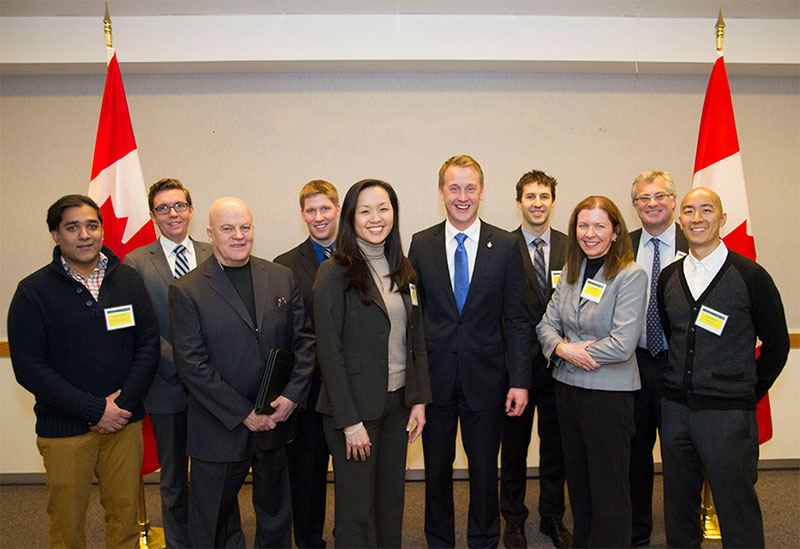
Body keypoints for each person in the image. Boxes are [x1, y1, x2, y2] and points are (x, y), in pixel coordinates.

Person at [8, 194, 159, 548]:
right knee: (67, 526)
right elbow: (30, 368)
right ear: (55, 235)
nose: (84, 235)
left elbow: (148, 345)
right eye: (72, 227)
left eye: (92, 225)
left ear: (102, 231)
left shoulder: (128, 280)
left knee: (124, 520)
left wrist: (121, 405)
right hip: (64, 430)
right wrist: (94, 410)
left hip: (124, 423)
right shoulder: (33, 292)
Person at [168, 196, 315, 548]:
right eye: (228, 229)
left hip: (276, 423)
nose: (238, 236)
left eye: (245, 227)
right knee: (211, 522)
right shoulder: (187, 290)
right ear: (210, 233)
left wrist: (292, 397)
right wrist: (245, 414)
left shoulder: (280, 277)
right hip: (220, 427)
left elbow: (305, 343)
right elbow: (192, 365)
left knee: (277, 516)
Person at [409, 155, 531, 548]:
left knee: (483, 473)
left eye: (470, 188)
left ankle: (483, 541)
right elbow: (414, 319)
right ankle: (439, 541)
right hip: (436, 381)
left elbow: (516, 319)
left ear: (482, 191)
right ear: (441, 192)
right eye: (454, 188)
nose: (462, 197)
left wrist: (520, 382)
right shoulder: (421, 243)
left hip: (488, 380)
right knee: (437, 473)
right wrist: (416, 386)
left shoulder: (507, 245)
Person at [657, 187, 789, 548]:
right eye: (688, 211)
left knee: (736, 509)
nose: (697, 218)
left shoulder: (751, 277)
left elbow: (777, 345)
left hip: (728, 414)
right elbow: (675, 336)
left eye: (706, 210)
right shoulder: (668, 278)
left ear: (723, 219)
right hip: (676, 411)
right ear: (679, 219)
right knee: (679, 507)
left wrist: (745, 392)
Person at [313, 179, 431, 548]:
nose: (375, 218)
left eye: (384, 208)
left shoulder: (403, 269)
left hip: (397, 406)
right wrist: (349, 422)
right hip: (354, 413)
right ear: (350, 217)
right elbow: (328, 352)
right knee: (355, 511)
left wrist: (419, 400)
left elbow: (416, 340)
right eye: (365, 210)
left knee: (391, 502)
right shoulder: (334, 273)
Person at [536, 195, 647, 548]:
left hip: (608, 396)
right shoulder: (572, 271)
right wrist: (564, 348)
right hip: (568, 391)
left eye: (600, 226)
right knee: (580, 484)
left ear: (616, 231)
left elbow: (622, 344)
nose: (590, 233)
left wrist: (571, 351)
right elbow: (545, 325)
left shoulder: (632, 275)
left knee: (609, 487)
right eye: (583, 226)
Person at [125, 178, 213, 548]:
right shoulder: (136, 262)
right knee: (174, 478)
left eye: (179, 205)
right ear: (152, 216)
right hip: (166, 385)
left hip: (215, 387)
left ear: (191, 210)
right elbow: (141, 327)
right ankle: (180, 543)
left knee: (214, 474)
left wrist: (207, 372)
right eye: (163, 208)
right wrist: (184, 366)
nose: (173, 213)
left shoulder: (214, 251)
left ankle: (213, 538)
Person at [500, 170, 571, 549]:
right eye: (530, 196)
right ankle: (513, 520)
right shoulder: (501, 246)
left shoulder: (570, 245)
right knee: (512, 450)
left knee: (554, 449)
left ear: (553, 202)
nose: (538, 203)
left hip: (561, 369)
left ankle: (552, 518)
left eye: (544, 196)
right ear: (518, 202)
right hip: (515, 370)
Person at [274, 179, 341, 548]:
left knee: (353, 479)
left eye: (325, 208)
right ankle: (310, 542)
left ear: (337, 209)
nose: (319, 217)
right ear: (303, 215)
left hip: (354, 390)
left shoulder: (361, 255)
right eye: (311, 210)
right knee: (307, 480)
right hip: (309, 394)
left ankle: (349, 538)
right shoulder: (284, 266)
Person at [627, 170, 688, 547]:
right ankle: (638, 527)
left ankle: (683, 530)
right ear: (634, 206)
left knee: (679, 452)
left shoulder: (695, 242)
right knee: (635, 452)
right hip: (632, 364)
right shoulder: (621, 246)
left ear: (673, 200)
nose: (651, 204)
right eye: (643, 198)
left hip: (677, 363)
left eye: (659, 196)